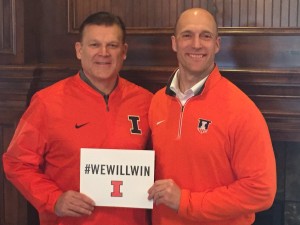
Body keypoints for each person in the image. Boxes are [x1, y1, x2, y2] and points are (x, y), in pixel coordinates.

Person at [3, 11, 152, 225]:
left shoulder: (146, 101)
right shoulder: (47, 102)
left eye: (112, 45)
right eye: (94, 45)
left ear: (124, 51)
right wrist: (54, 199)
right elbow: (16, 163)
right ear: (79, 50)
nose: (104, 53)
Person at [147, 8, 276, 225]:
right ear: (174, 43)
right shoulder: (157, 102)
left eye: (205, 36)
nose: (196, 44)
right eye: (187, 35)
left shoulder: (241, 109)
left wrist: (186, 202)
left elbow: (261, 190)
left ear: (216, 44)